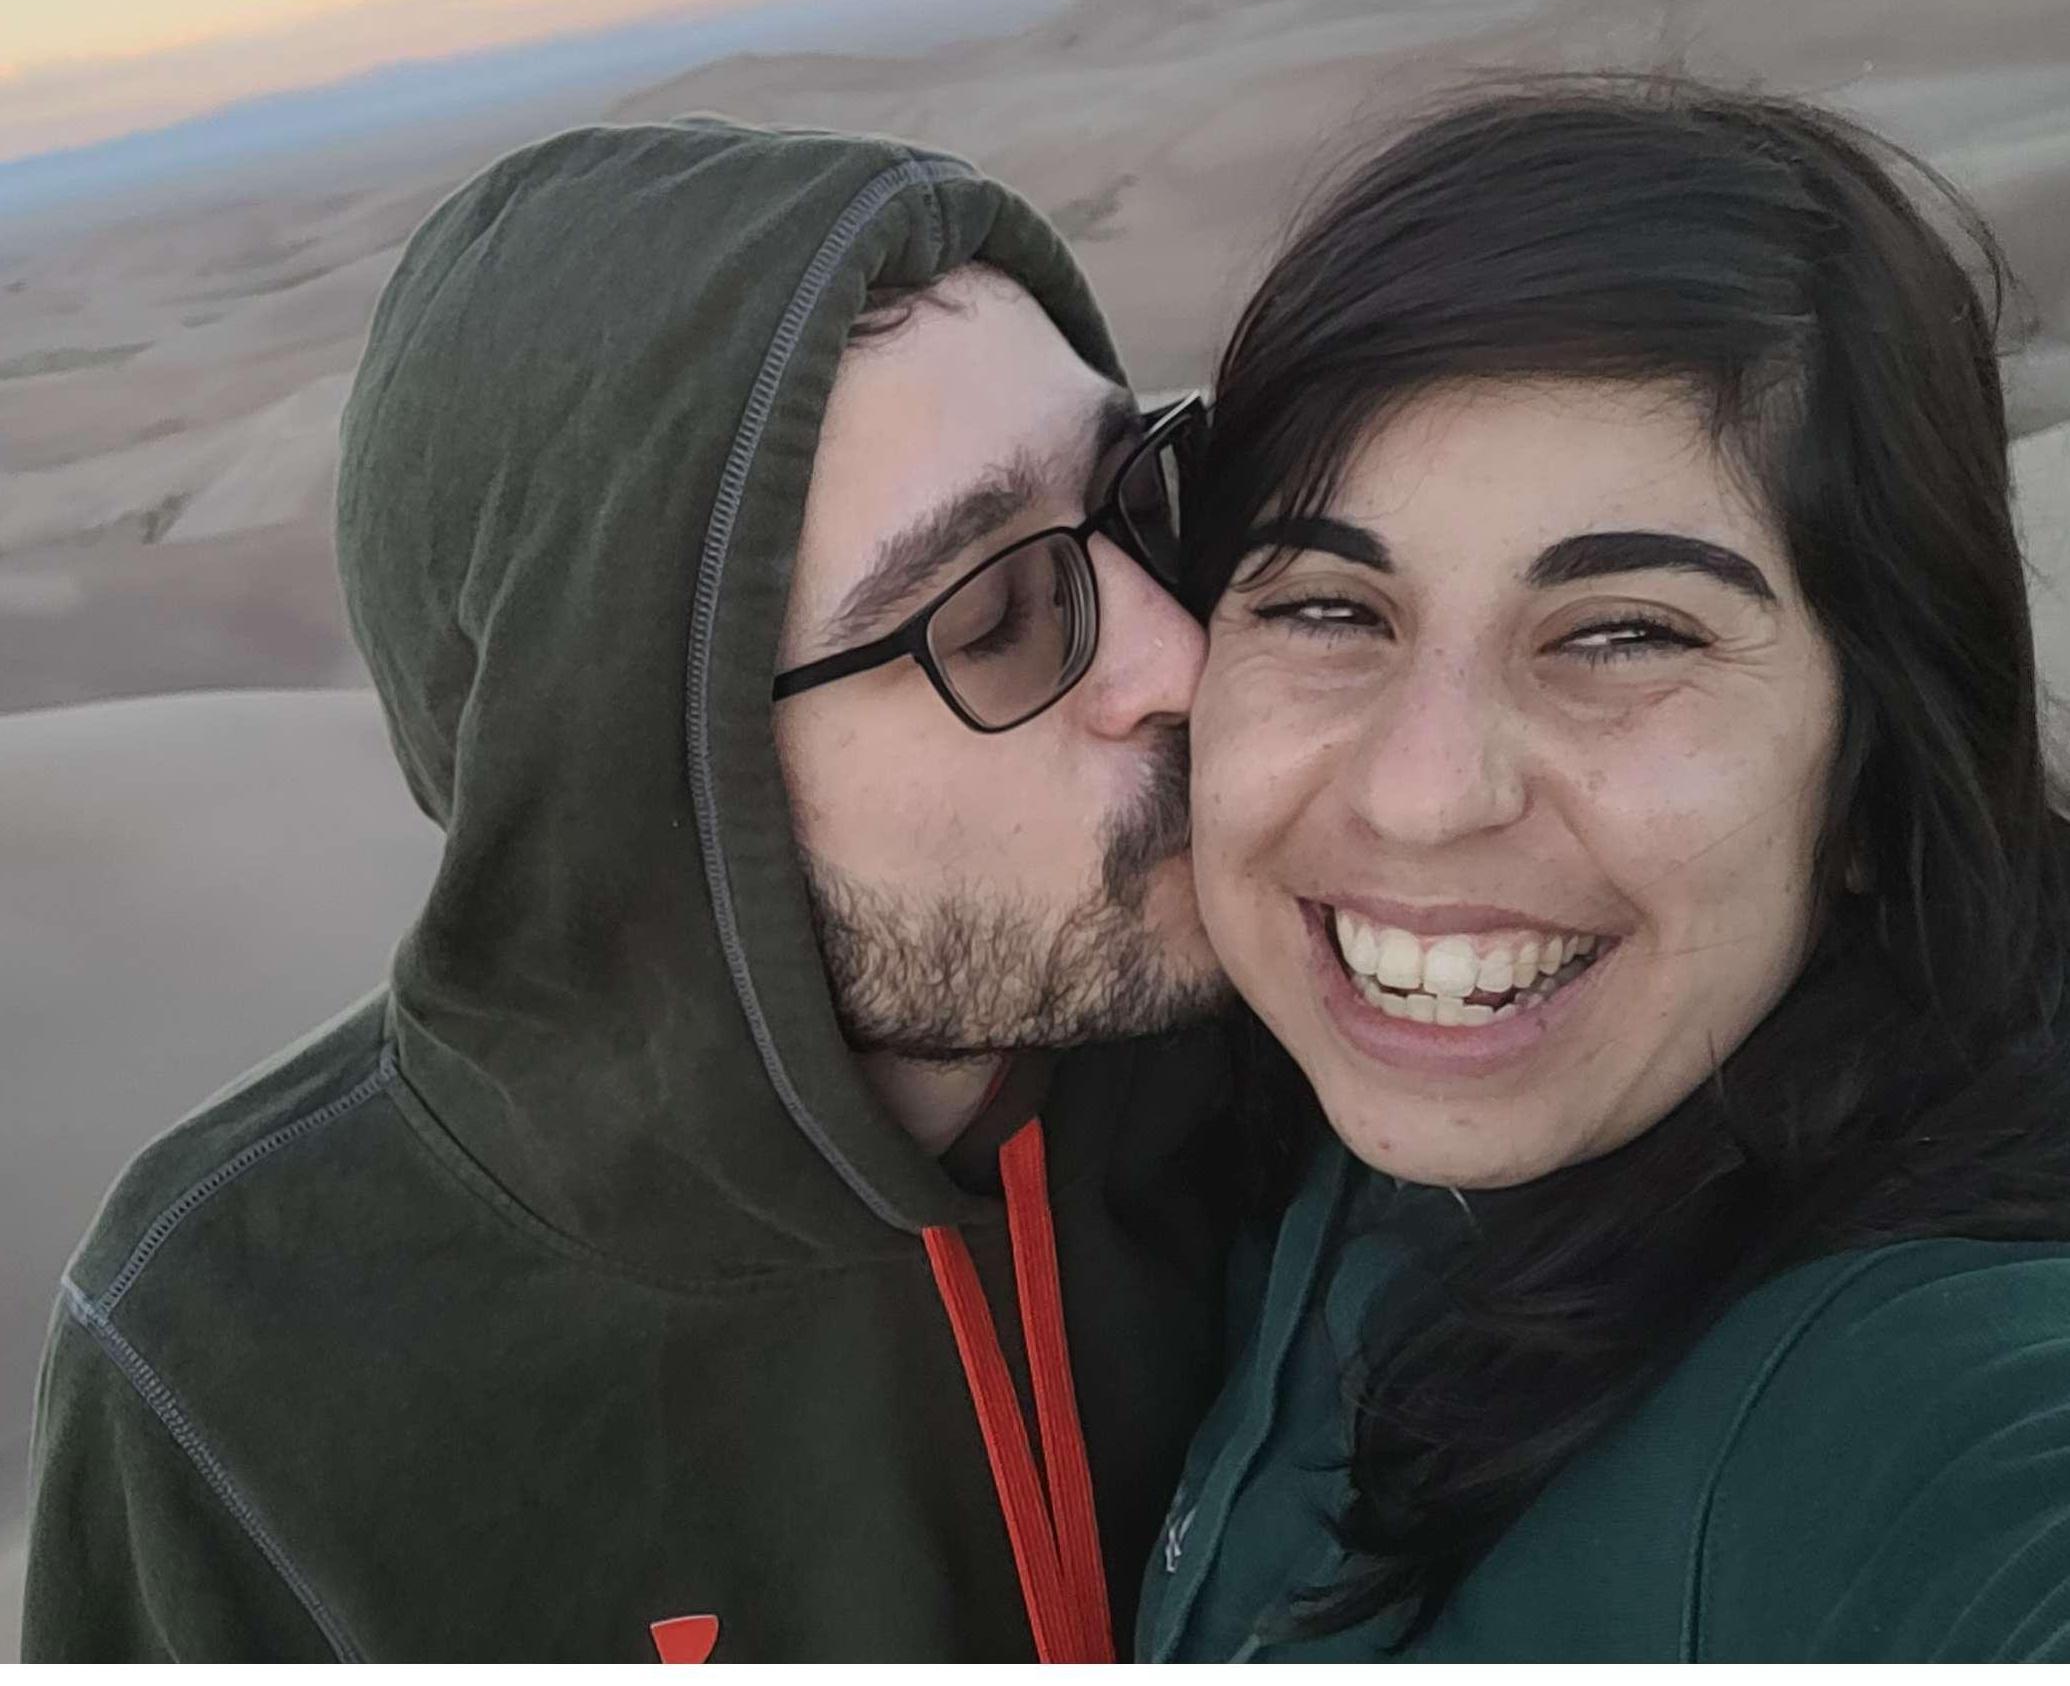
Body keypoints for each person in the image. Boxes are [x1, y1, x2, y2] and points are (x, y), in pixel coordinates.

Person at [24, 118, 1235, 1661]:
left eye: (1136, 496)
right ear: (646, 770)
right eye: (997, 614)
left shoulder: (1295, 1060)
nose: (1178, 663)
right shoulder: (235, 1373)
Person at [1140, 77, 2070, 1662]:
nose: (1424, 796)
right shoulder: (1203, 1104)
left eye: (1625, 633)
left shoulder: (1894, 1403)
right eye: (1327, 608)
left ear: (1875, 768)